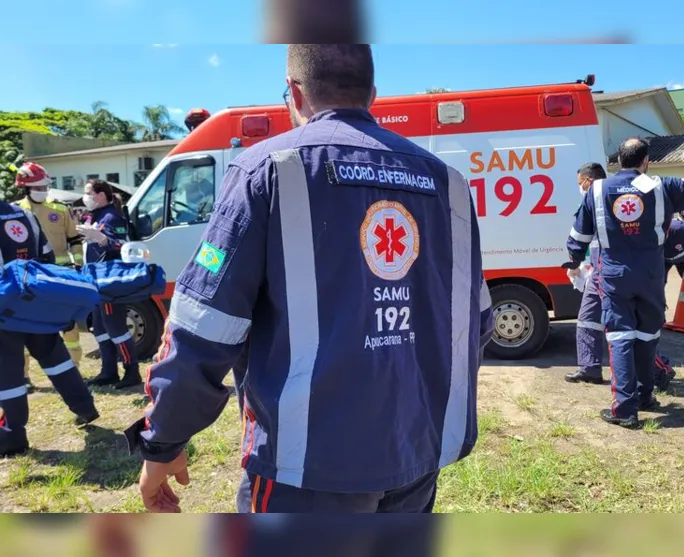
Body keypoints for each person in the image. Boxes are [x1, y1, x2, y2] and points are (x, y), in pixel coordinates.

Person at [124, 44, 493, 514]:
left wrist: (162, 440)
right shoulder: (448, 183)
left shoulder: (265, 170)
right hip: (417, 453)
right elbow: (475, 320)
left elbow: (203, 328)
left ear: (294, 93)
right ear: (372, 95)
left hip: (307, 469)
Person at [565, 138, 684, 427]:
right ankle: (645, 395)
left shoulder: (597, 189)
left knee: (620, 337)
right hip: (650, 275)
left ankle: (624, 409)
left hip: (614, 277)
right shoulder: (664, 186)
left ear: (619, 160)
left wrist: (574, 263)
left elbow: (577, 240)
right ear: (645, 161)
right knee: (647, 335)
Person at [0, 198, 99, 457]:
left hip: (4, 310)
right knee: (57, 360)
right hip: (34, 302)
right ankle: (85, 407)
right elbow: (47, 257)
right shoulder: (25, 216)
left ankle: (13, 437)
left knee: (8, 375)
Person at [15, 163, 86, 391]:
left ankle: (74, 370)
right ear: (25, 188)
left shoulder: (59, 209)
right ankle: (23, 376)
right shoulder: (14, 213)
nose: (43, 190)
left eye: (45, 186)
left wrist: (79, 265)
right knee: (23, 328)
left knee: (69, 327)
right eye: (37, 186)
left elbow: (74, 240)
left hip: (60, 278)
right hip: (28, 281)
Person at [76, 180, 142, 389]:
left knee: (117, 328)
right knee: (100, 328)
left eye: (88, 192)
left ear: (101, 195)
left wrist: (104, 239)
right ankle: (109, 371)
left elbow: (123, 245)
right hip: (96, 281)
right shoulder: (96, 216)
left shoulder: (113, 217)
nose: (85, 196)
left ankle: (132, 372)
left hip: (110, 282)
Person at [565, 162, 609, 384]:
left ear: (587, 181)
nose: (579, 188)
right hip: (605, 270)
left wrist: (573, 264)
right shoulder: (616, 198)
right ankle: (589, 367)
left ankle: (656, 372)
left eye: (579, 183)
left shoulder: (595, 199)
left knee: (595, 320)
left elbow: (579, 236)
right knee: (590, 319)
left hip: (607, 272)